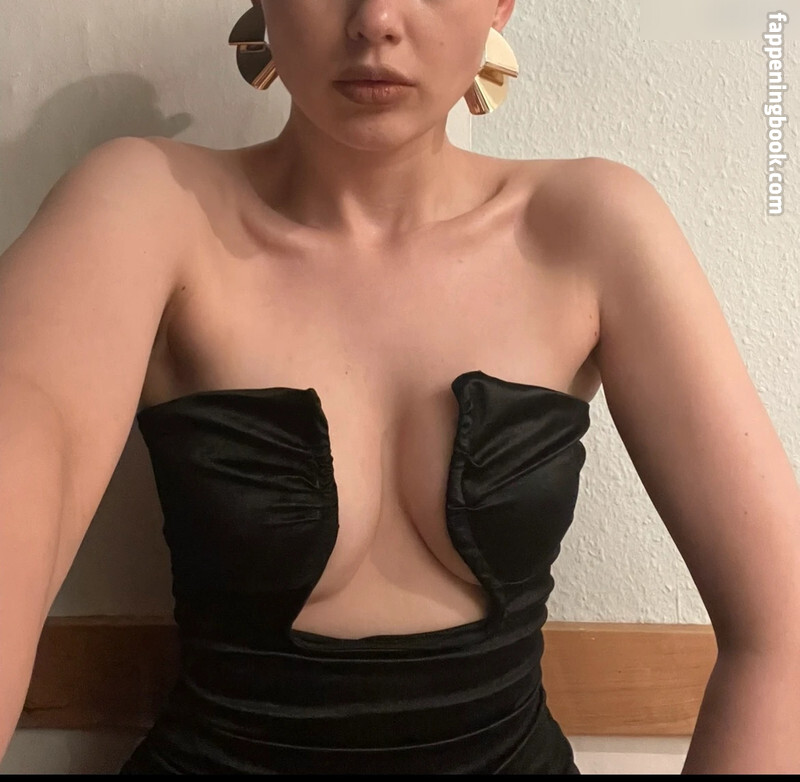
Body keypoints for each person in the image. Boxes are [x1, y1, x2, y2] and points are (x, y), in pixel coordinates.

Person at [2, 0, 799, 774]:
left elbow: (784, 632)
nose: (376, 19)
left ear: (501, 3)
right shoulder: (145, 208)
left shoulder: (590, 226)